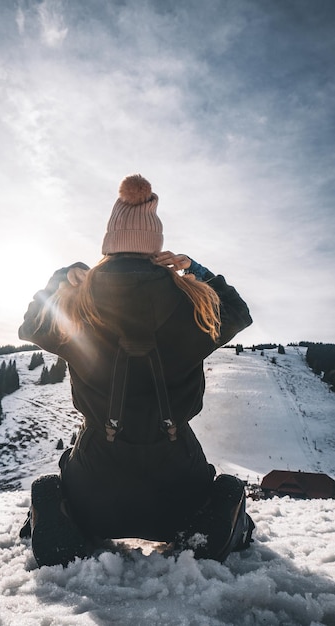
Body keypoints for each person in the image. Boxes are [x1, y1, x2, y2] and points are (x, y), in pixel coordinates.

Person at [18, 174, 254, 567]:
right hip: (178, 497)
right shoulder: (193, 304)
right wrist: (194, 268)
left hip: (93, 497)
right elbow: (239, 312)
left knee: (59, 478)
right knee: (225, 488)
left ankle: (57, 511)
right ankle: (207, 531)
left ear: (110, 243)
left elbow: (31, 324)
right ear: (156, 247)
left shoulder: (77, 304)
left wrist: (61, 279)